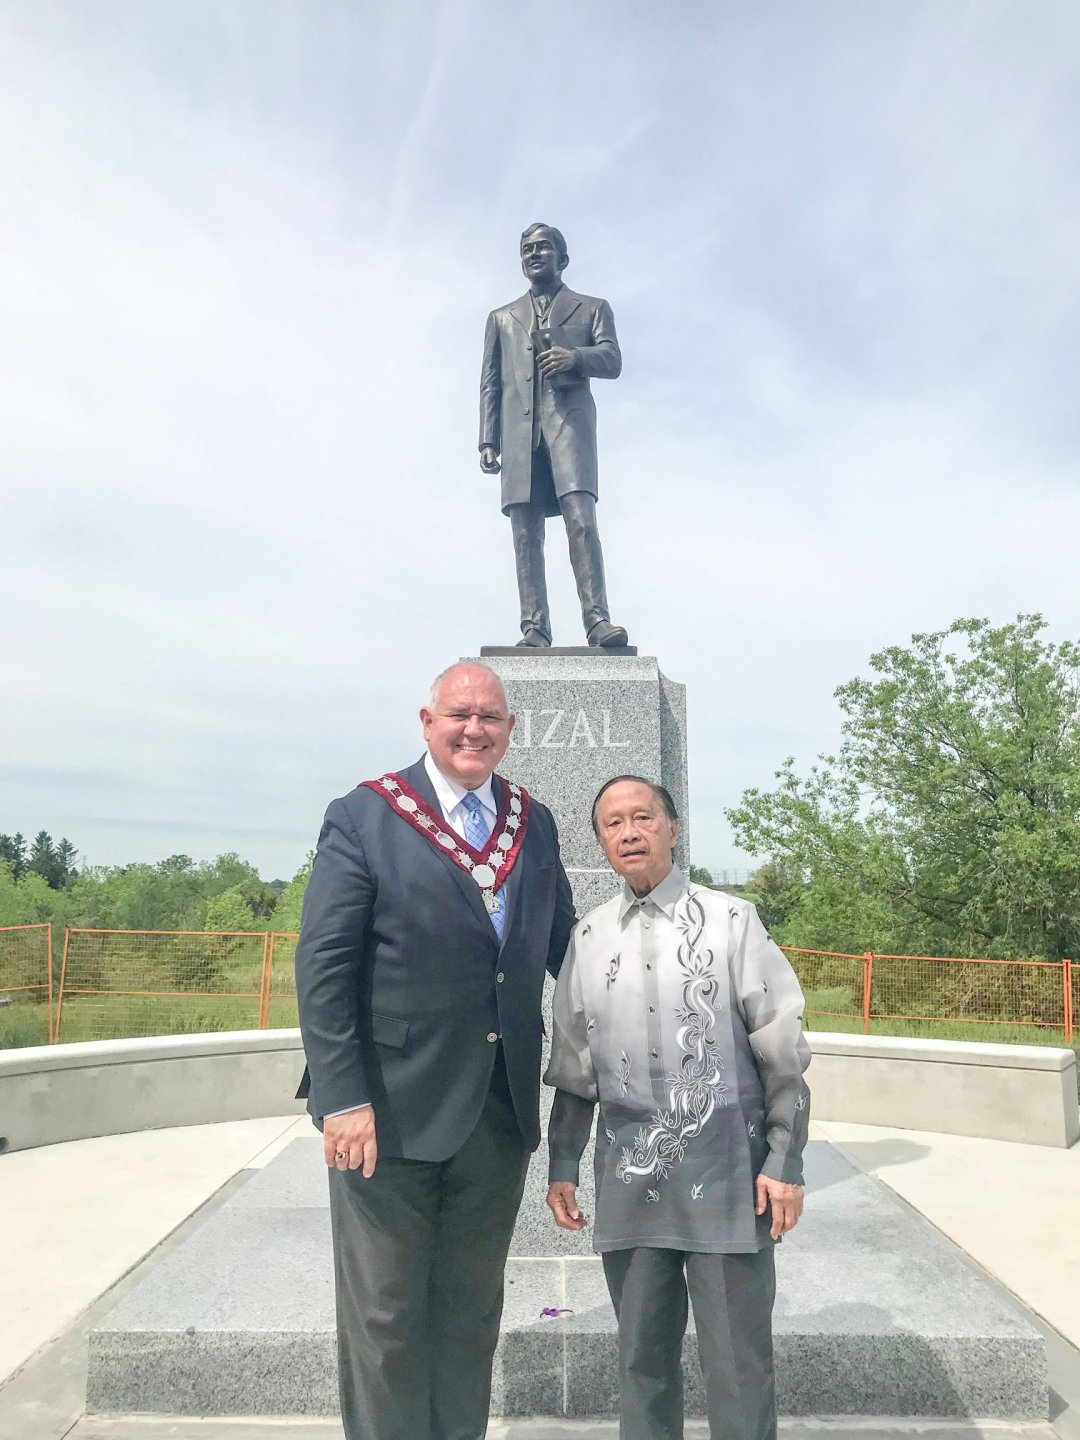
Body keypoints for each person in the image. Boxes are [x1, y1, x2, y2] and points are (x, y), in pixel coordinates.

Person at [294, 662, 575, 1440]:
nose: (474, 729)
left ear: (509, 731)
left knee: (469, 1311)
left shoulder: (534, 821)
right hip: (387, 1110)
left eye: (490, 717)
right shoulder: (365, 816)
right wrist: (343, 1098)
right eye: (459, 714)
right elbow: (323, 969)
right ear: (427, 721)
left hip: (497, 1111)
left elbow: (567, 949)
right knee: (385, 1317)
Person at [544, 776, 810, 1440]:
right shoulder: (590, 933)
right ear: (602, 840)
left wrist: (786, 1158)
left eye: (642, 817)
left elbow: (783, 1051)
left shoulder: (731, 921)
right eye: (613, 823)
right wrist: (563, 1162)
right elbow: (576, 1063)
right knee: (641, 1361)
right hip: (630, 1176)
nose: (629, 831)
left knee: (738, 1365)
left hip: (727, 1171)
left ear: (672, 827)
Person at [479, 222, 630, 649]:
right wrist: (488, 439)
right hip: (518, 437)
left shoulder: (591, 307)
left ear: (562, 259)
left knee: (581, 522)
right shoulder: (501, 318)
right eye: (526, 248)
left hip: (570, 431)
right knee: (525, 533)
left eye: (542, 247)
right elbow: (491, 381)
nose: (533, 253)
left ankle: (598, 620)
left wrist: (575, 356)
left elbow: (613, 358)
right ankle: (534, 626)